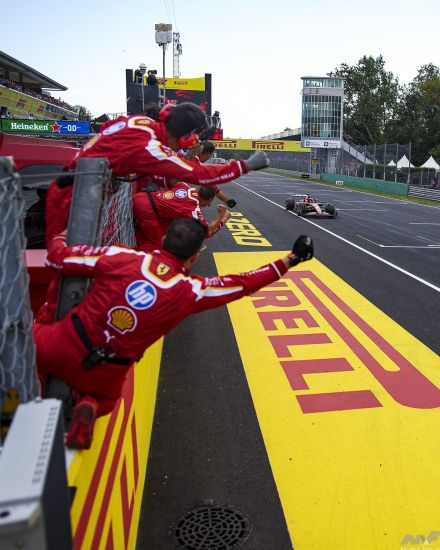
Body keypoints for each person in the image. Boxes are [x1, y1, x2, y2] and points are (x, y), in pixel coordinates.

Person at [34, 219, 314, 449]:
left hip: (63, 341)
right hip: (106, 371)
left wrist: (60, 236)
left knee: (32, 340)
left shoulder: (122, 256)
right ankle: (89, 405)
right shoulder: (190, 291)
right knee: (107, 401)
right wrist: (290, 259)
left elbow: (59, 259)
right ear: (194, 257)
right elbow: (243, 284)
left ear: (164, 239)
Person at [46, 102, 268, 243]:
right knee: (68, 271)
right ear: (186, 137)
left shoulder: (140, 123)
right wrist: (245, 165)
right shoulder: (151, 147)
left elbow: (107, 129)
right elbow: (199, 175)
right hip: (76, 199)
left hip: (76, 187)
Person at [133, 183, 231, 250]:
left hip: (142, 196)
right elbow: (207, 231)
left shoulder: (184, 186)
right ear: (210, 199)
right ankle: (134, 260)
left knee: (167, 227)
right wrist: (221, 216)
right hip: (146, 209)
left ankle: (137, 239)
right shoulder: (193, 209)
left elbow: (172, 182)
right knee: (159, 245)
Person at [186, 141, 237, 208]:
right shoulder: (195, 165)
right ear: (209, 154)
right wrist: (227, 201)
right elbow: (213, 187)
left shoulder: (187, 157)